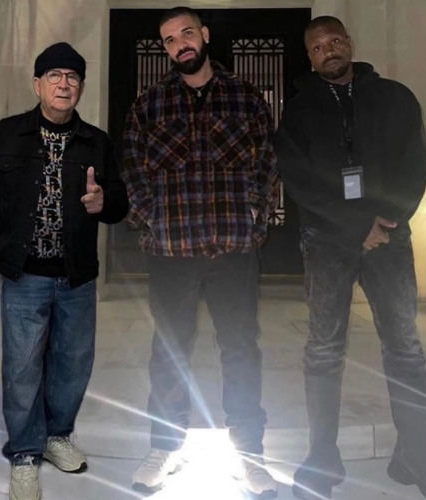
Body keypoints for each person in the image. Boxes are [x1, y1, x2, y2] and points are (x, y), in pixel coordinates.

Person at [0, 42, 129, 500]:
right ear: (37, 84)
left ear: (81, 87)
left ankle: (56, 436)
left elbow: (120, 202)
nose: (63, 84)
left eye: (72, 77)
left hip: (77, 275)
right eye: (54, 75)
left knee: (73, 363)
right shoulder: (6, 134)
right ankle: (26, 454)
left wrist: (104, 202)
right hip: (25, 276)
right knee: (23, 367)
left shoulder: (97, 141)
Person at [121, 6, 279, 499]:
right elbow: (132, 169)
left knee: (241, 349)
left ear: (205, 35)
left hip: (233, 247)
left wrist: (253, 214)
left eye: (187, 33)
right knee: (169, 351)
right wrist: (149, 218)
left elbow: (267, 162)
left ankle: (249, 453)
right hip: (172, 249)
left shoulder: (245, 97)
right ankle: (165, 447)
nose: (180, 45)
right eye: (170, 40)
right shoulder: (149, 105)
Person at [275, 16, 426, 500]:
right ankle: (323, 456)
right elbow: (298, 179)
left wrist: (386, 218)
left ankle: (416, 454)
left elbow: (414, 164)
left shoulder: (395, 98)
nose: (329, 50)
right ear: (310, 57)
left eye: (334, 41)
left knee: (405, 347)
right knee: (324, 350)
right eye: (318, 46)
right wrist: (356, 224)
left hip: (389, 240)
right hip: (327, 244)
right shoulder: (299, 110)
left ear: (349, 43)